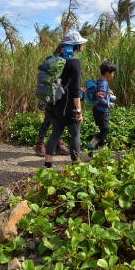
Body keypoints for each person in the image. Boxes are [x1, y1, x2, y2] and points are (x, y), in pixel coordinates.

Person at [43, 31, 87, 168]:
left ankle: (47, 165)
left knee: (56, 133)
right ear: (76, 46)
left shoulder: (55, 59)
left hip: (52, 104)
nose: (83, 46)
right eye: (81, 44)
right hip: (67, 106)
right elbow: (74, 88)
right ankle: (75, 167)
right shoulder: (75, 62)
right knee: (75, 134)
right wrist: (78, 109)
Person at [86, 61, 116, 154]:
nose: (113, 75)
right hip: (101, 110)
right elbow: (100, 98)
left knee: (104, 131)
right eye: (113, 73)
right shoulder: (104, 83)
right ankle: (91, 146)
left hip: (97, 110)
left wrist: (109, 92)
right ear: (107, 73)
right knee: (104, 131)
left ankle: (98, 151)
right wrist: (109, 104)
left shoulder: (100, 81)